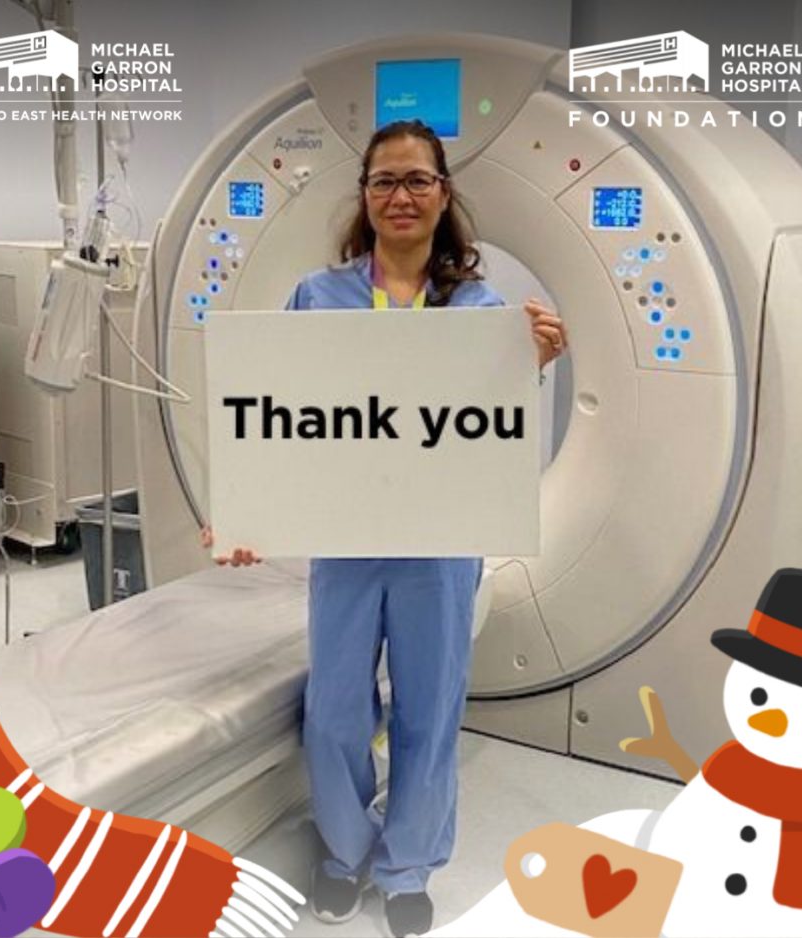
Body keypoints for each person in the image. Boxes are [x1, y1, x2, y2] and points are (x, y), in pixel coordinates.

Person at [207, 119, 567, 937]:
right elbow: (276, 415)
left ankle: (407, 868)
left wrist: (532, 364)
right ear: (364, 197)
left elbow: (486, 430)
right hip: (347, 537)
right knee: (334, 710)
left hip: (438, 545)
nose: (400, 196)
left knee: (427, 711)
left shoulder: (480, 309)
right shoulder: (316, 296)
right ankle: (344, 854)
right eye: (383, 182)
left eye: (417, 181)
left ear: (444, 197)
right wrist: (247, 511)